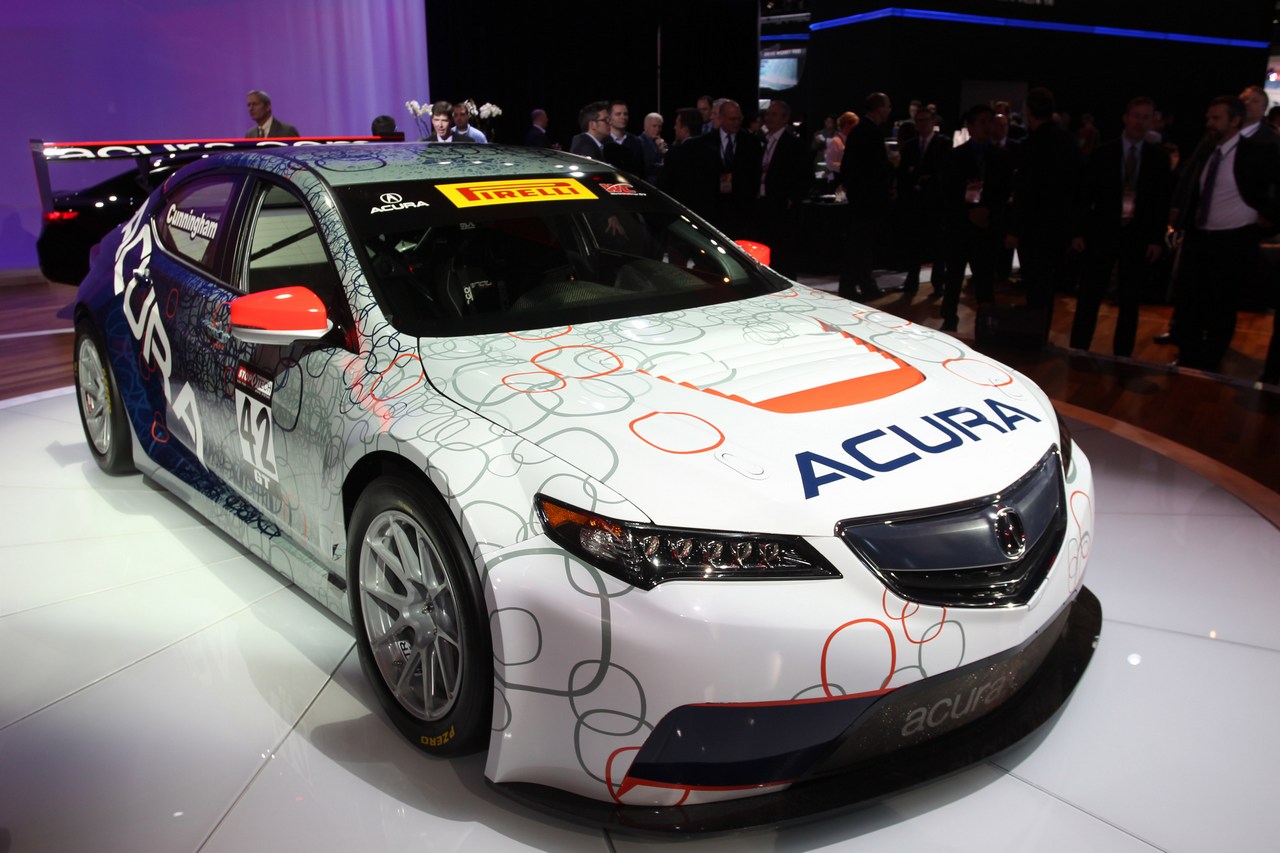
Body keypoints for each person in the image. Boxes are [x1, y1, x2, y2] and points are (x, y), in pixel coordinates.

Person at [1168, 95, 1279, 371]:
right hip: (1201, 237)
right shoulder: (1209, 149)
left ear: (1234, 121)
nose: (1210, 123)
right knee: (1192, 299)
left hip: (1234, 240)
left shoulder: (1257, 150)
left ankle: (1210, 360)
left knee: (1221, 304)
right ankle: (1189, 356)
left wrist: (1269, 220)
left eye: (1216, 118)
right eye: (1209, 118)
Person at [1069, 97, 1173, 357]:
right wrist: (1079, 231)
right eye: (1136, 116)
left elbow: (1161, 204)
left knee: (1130, 299)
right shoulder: (1103, 152)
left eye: (1145, 117)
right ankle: (1078, 348)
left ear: (1152, 121)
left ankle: (1123, 356)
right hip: (1102, 232)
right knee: (1090, 294)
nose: (1140, 122)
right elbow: (1085, 195)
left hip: (1137, 235)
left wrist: (1157, 239)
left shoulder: (1158, 159)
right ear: (1126, 118)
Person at [1005, 87, 1082, 338]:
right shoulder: (1069, 140)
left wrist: (1015, 229)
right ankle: (1042, 332)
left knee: (1034, 284)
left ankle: (1033, 334)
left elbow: (1025, 191)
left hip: (1033, 226)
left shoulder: (1032, 144)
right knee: (1048, 285)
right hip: (1059, 226)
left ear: (1029, 112)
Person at [939, 104, 1012, 331]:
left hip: (987, 227)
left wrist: (988, 212)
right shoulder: (955, 156)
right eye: (982, 121)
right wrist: (968, 213)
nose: (988, 126)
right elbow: (948, 193)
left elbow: (1005, 192)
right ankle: (949, 320)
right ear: (969, 126)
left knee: (985, 278)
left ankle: (987, 323)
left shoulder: (1001, 157)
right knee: (954, 277)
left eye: (990, 121)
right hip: (961, 225)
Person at [838, 92, 894, 301]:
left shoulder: (859, 131)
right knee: (862, 246)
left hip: (860, 199)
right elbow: (874, 170)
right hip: (868, 201)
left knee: (858, 245)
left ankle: (852, 286)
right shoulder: (870, 132)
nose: (889, 110)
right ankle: (861, 286)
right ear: (879, 108)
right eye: (887, 106)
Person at [753, 100, 811, 277]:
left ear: (785, 119)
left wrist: (792, 199)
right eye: (767, 114)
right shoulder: (761, 140)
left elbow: (804, 176)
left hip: (781, 208)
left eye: (773, 114)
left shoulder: (793, 144)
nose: (768, 118)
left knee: (782, 252)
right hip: (762, 204)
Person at [896, 105, 951, 293]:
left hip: (935, 202)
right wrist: (919, 175)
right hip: (915, 203)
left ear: (933, 122)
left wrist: (919, 173)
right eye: (918, 121)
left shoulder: (943, 143)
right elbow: (904, 173)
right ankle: (911, 282)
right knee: (914, 244)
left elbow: (940, 171)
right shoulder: (910, 145)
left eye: (926, 120)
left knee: (937, 245)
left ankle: (938, 282)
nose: (922, 124)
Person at [698, 98, 762, 237]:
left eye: (739, 119)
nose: (736, 123)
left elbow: (755, 173)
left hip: (741, 208)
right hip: (714, 207)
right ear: (721, 118)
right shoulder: (705, 142)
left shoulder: (751, 142)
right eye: (732, 119)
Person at [658, 107, 713, 216]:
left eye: (677, 124)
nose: (674, 128)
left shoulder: (676, 153)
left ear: (685, 129)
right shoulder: (713, 152)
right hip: (707, 216)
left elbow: (663, 186)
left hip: (681, 215)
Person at [823, 111, 858, 184]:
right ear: (847, 125)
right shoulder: (835, 141)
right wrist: (848, 166)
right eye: (855, 126)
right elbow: (830, 163)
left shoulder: (851, 141)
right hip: (839, 182)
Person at [641, 112, 667, 182]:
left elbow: (671, 163)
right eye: (654, 126)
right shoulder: (638, 142)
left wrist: (663, 151)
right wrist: (664, 167)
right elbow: (647, 167)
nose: (657, 130)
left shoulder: (663, 143)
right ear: (646, 127)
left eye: (659, 127)